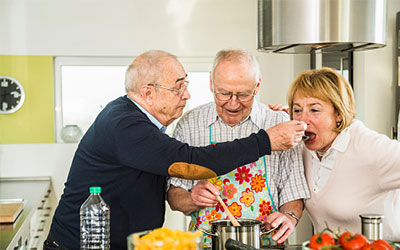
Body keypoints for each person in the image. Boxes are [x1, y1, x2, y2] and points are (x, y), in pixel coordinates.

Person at [44, 50, 307, 250]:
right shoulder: (126, 125)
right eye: (179, 87)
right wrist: (265, 141)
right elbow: (189, 162)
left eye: (186, 84)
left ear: (257, 87)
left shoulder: (139, 121)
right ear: (148, 93)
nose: (187, 95)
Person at [167, 49, 310, 247]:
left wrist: (289, 217)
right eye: (224, 93)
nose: (233, 104)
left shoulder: (279, 122)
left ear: (257, 85)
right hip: (207, 244)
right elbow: (174, 196)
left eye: (243, 95)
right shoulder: (190, 124)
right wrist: (192, 198)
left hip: (264, 244)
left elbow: (293, 192)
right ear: (211, 83)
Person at [285, 67, 400, 240]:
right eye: (297, 110)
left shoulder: (369, 147)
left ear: (338, 114)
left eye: (314, 110)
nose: (302, 121)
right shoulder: (304, 149)